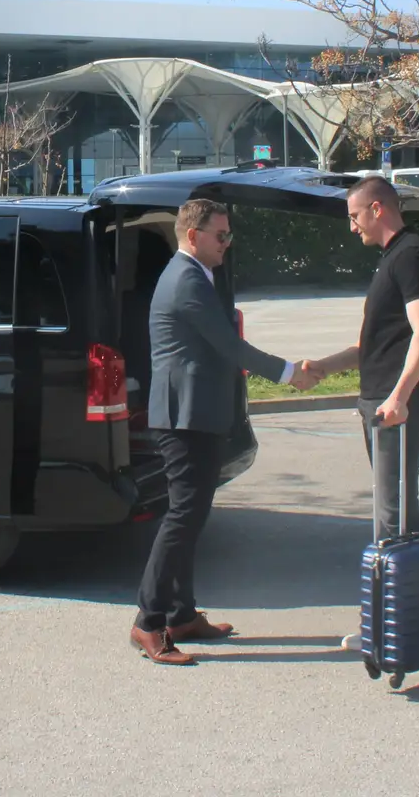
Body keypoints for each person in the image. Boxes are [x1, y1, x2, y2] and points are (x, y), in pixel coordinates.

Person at [298, 174, 419, 668]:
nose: (352, 228)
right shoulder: (393, 259)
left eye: (354, 217)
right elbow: (377, 345)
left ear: (379, 209)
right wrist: (325, 365)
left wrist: (400, 397)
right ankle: (387, 623)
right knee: (392, 519)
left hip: (398, 410)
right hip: (381, 406)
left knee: (398, 517)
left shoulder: (414, 256)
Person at [130, 197, 319, 667]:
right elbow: (229, 344)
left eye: (229, 234)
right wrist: (289, 372)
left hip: (196, 414)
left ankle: (182, 614)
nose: (227, 244)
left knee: (189, 517)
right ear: (193, 236)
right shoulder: (185, 279)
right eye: (221, 235)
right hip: (183, 419)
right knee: (182, 518)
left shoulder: (196, 274)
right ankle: (148, 622)